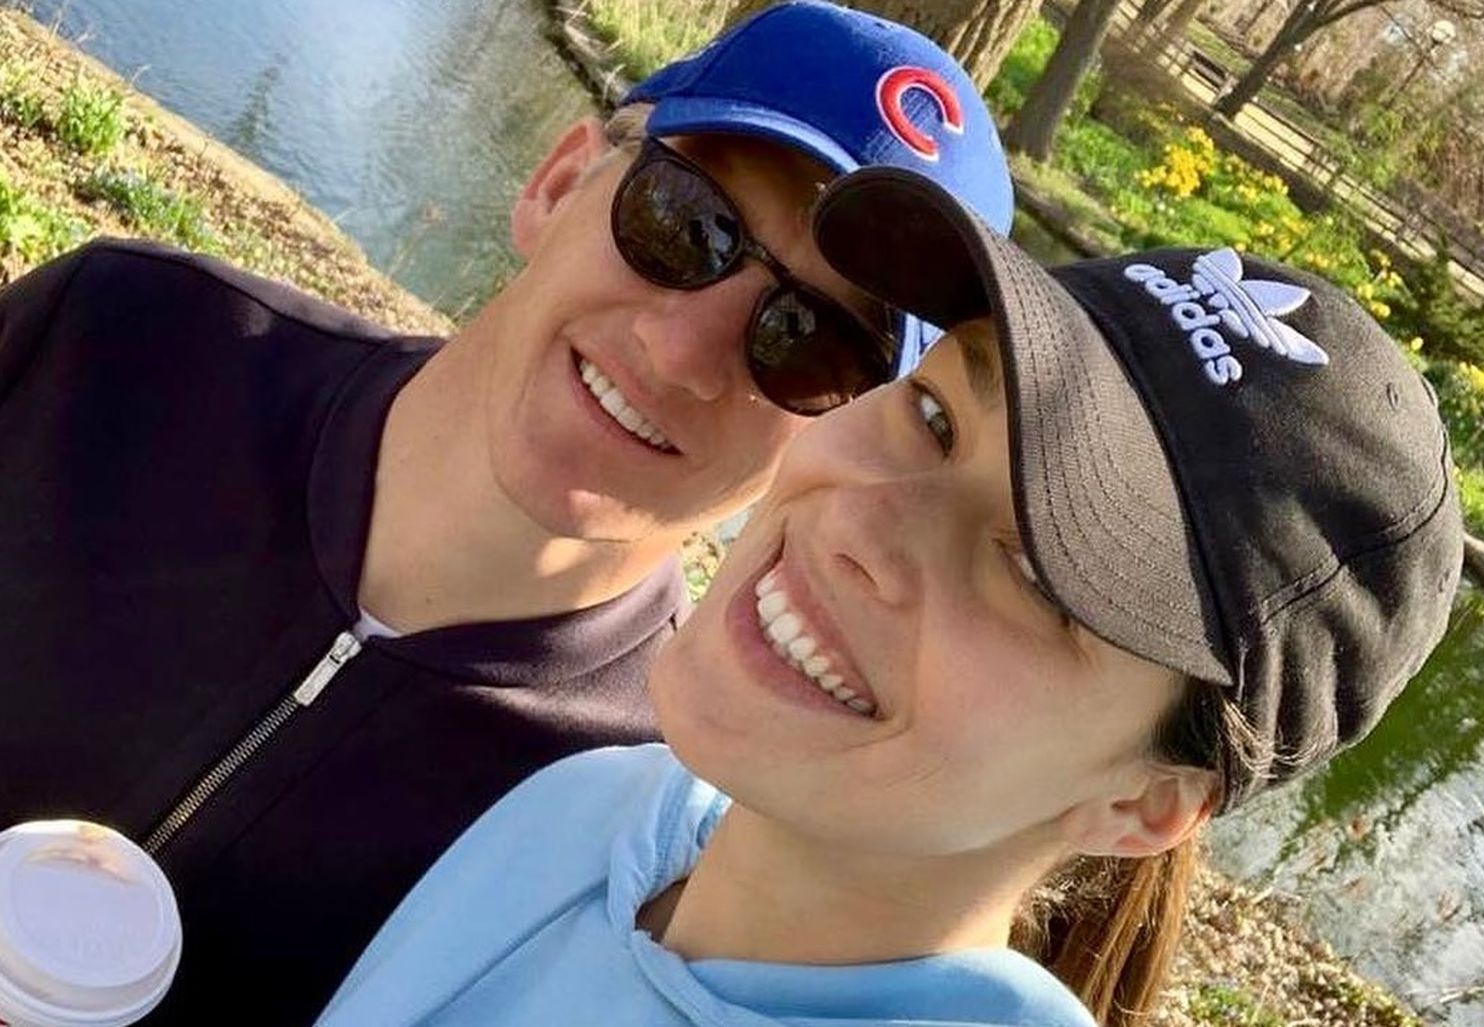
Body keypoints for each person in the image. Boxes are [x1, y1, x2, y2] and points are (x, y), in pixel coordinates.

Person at [0, 4, 1012, 1023]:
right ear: (559, 183)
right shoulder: (119, 337)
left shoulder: (624, 832)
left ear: (840, 443)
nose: (680, 354)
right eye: (682, 221)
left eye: (812, 342)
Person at [315, 165, 1463, 1027]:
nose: (864, 525)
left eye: (1038, 569)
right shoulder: (600, 805)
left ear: (1144, 805)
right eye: (935, 415)